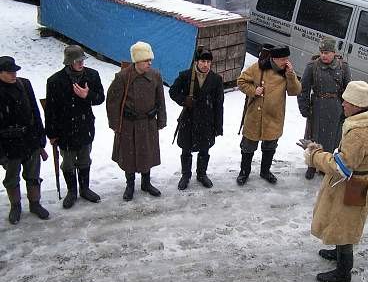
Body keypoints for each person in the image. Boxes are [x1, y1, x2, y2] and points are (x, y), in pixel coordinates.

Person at [301, 80, 368, 282]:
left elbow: (341, 167)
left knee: (345, 225)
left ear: (357, 104)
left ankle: (343, 272)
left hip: (353, 182)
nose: (342, 104)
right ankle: (338, 251)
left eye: (346, 102)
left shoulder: (359, 133)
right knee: (342, 220)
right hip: (364, 178)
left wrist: (314, 153)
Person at [45, 45, 105, 209]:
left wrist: (87, 96)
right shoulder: (55, 81)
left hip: (85, 125)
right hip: (65, 129)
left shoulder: (92, 75)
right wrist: (51, 133)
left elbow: (100, 98)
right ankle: (72, 191)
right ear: (69, 62)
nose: (81, 63)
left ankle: (84, 189)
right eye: (77, 61)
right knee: (68, 162)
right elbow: (50, 109)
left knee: (85, 159)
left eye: (82, 60)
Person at [106, 41, 167, 201]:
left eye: (150, 60)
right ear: (137, 61)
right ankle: (130, 185)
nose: (149, 63)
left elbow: (161, 99)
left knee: (147, 153)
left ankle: (146, 183)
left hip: (148, 123)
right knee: (129, 155)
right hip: (129, 125)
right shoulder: (123, 77)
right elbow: (112, 102)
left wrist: (161, 119)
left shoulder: (155, 75)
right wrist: (115, 125)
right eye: (146, 60)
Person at [236, 45, 301, 185]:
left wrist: (291, 74)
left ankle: (265, 171)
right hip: (255, 116)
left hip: (274, 117)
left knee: (270, 147)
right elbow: (241, 82)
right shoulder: (258, 67)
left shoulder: (286, 72)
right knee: (248, 147)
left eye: (286, 58)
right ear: (274, 59)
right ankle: (244, 172)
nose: (286, 61)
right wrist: (254, 90)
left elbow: (295, 90)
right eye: (283, 59)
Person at [0, 56, 49, 224]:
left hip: (30, 139)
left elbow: (35, 111)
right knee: (12, 178)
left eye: (15, 71)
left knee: (33, 174)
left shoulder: (24, 84)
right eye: (9, 72)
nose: (13, 75)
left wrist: (41, 137)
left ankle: (35, 203)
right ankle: (15, 206)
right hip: (9, 143)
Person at [169, 48, 224, 190]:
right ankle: (185, 175)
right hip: (189, 120)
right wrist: (183, 100)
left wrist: (218, 126)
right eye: (203, 61)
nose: (206, 65)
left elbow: (219, 104)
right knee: (186, 150)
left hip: (207, 122)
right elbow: (173, 92)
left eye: (208, 62)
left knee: (204, 150)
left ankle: (202, 174)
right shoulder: (186, 76)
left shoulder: (216, 80)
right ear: (196, 62)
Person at [297, 37, 351, 179]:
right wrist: (304, 107)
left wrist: (346, 110)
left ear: (334, 53)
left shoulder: (343, 67)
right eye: (322, 52)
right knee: (314, 136)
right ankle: (311, 164)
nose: (323, 56)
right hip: (317, 106)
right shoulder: (312, 66)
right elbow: (303, 89)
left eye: (327, 52)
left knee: (332, 138)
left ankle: (324, 165)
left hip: (335, 107)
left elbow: (348, 90)